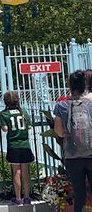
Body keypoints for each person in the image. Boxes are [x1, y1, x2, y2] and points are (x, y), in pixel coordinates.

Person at [54, 70, 92, 212]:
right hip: (91, 154)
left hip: (72, 156)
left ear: (70, 85)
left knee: (79, 193)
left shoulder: (61, 106)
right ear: (85, 85)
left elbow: (59, 132)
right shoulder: (90, 105)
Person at [0, 92, 34, 205]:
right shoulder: (23, 111)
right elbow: (29, 126)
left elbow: (5, 129)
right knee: (25, 172)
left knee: (16, 172)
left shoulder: (4, 114)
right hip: (25, 145)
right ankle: (27, 197)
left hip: (13, 145)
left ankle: (18, 198)